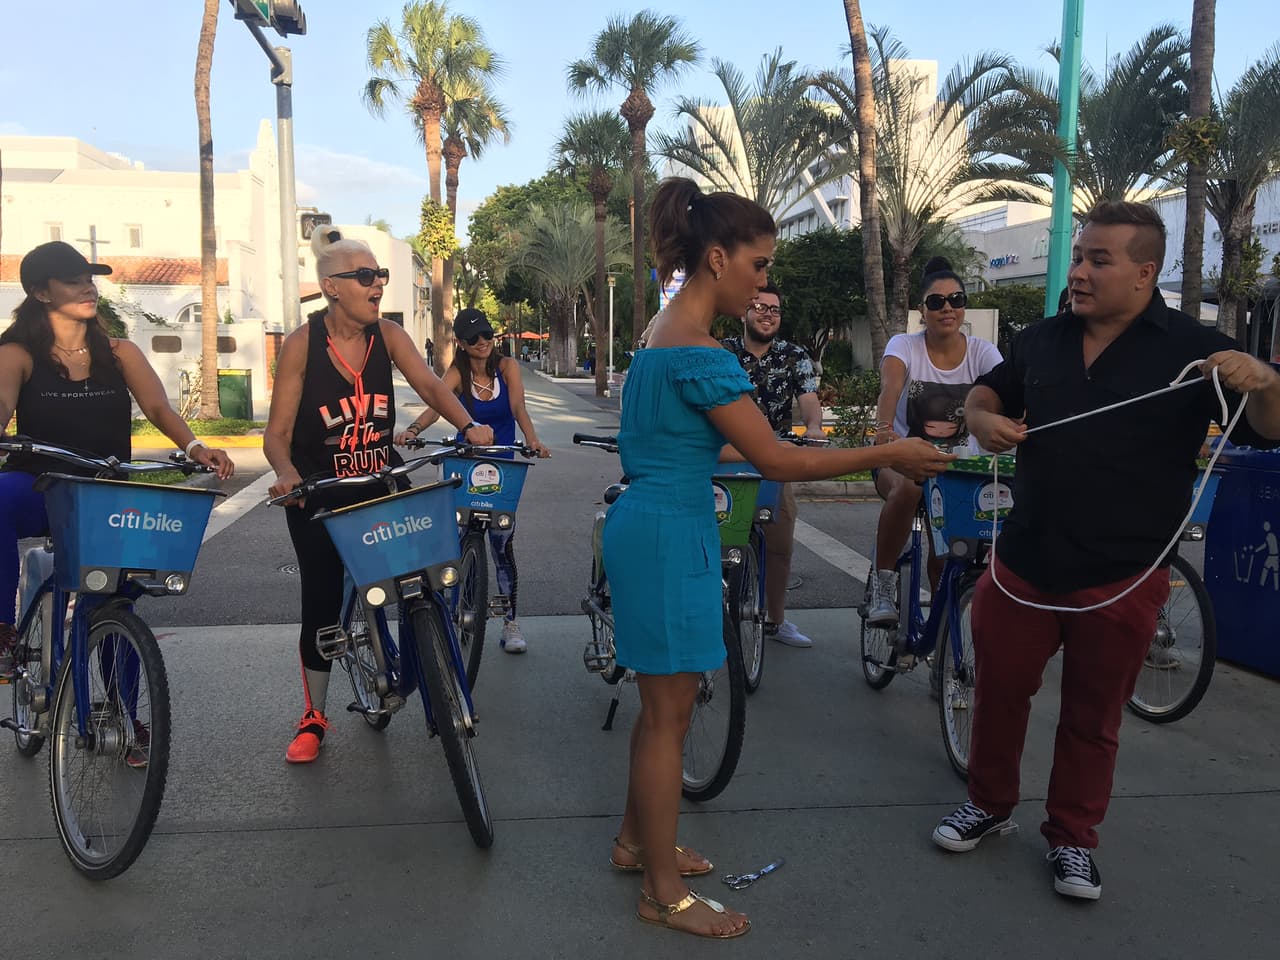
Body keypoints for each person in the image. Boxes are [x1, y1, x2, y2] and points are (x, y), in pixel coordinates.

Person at [604, 176, 953, 939]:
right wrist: (890, 449)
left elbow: (709, 443)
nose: (767, 281)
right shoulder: (701, 354)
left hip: (656, 521)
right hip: (669, 531)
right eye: (760, 265)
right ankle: (662, 893)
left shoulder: (665, 335)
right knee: (668, 717)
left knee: (660, 707)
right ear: (719, 258)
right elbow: (778, 463)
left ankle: (638, 844)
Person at [932, 201, 1280, 901]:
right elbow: (985, 393)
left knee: (1093, 718)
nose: (1080, 272)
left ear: (1145, 273)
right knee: (1000, 693)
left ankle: (1072, 840)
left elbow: (1264, 432)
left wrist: (1266, 382)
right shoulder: (1041, 339)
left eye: (1099, 260)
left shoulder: (1194, 350)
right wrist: (981, 417)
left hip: (1124, 574)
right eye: (1079, 256)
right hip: (1024, 562)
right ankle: (990, 804)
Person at [265, 229, 493, 765]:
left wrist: (467, 423)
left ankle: (438, 675)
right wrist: (285, 474)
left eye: (380, 276)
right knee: (321, 605)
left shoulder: (388, 336)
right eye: (366, 276)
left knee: (424, 580)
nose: (378, 285)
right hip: (320, 490)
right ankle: (315, 717)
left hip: (381, 480)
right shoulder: (302, 345)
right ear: (331, 287)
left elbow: (433, 386)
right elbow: (276, 435)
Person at [0, 241, 235, 680]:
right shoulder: (17, 354)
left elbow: (161, 410)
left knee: (115, 602)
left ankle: (123, 718)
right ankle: (1, 628)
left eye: (89, 280)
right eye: (73, 281)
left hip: (104, 495)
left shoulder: (119, 352)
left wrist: (196, 448)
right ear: (41, 293)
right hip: (40, 487)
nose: (88, 289)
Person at [395, 307, 550, 654]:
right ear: (461, 343)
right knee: (458, 538)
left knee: (501, 543)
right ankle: (452, 613)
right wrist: (414, 430)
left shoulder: (507, 367)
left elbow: (518, 407)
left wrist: (533, 440)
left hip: (502, 468)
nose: (482, 343)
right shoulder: (457, 373)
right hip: (465, 466)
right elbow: (437, 402)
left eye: (487, 336)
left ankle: (510, 621)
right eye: (473, 338)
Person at [865, 257, 1002, 625]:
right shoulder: (904, 345)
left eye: (956, 300)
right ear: (922, 310)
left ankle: (942, 643)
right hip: (901, 457)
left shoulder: (983, 353)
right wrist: (883, 432)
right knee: (909, 489)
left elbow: (1004, 396)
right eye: (936, 301)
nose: (947, 308)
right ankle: (883, 583)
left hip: (957, 468)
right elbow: (890, 388)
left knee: (948, 557)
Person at [720, 281, 824, 647]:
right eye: (760, 307)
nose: (767, 315)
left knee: (780, 542)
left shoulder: (794, 356)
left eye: (774, 310)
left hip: (774, 458)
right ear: (744, 313)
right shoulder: (721, 353)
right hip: (726, 459)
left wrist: (813, 427)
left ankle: (776, 621)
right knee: (713, 539)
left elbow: (809, 398)